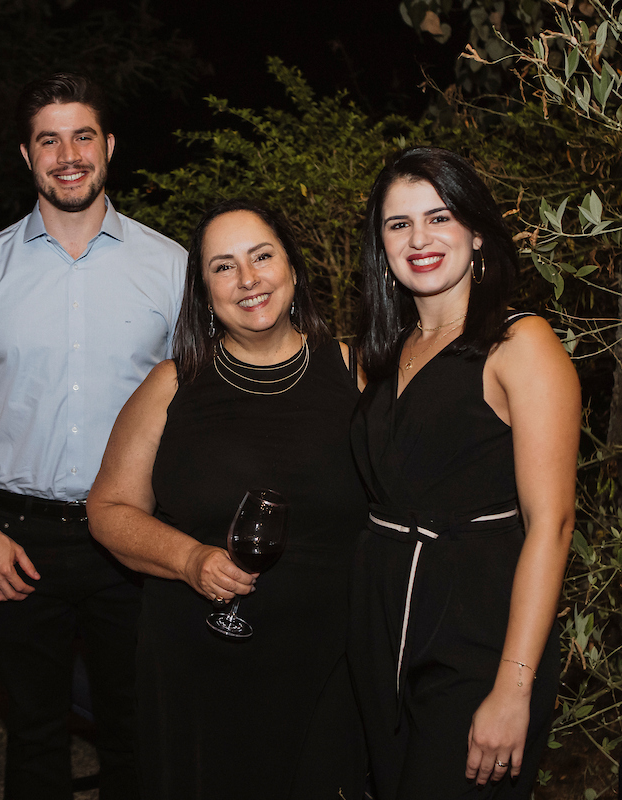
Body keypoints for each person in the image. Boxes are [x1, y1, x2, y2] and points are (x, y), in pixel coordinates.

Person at [0, 73, 185, 800]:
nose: (68, 154)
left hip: (132, 538)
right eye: (49, 139)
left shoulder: (171, 269)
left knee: (135, 731)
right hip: (16, 534)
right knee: (33, 734)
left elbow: (199, 412)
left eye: (82, 135)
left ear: (109, 146)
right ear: (26, 155)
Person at [87, 199, 369, 799]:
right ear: (204, 290)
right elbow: (109, 511)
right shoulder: (174, 383)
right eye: (224, 266)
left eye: (262, 256)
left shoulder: (355, 374)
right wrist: (190, 559)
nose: (248, 279)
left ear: (292, 268)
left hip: (327, 663)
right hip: (198, 662)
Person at [348, 146, 580, 798]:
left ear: (476, 232)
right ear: (381, 245)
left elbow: (552, 525)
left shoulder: (521, 344)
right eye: (399, 225)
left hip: (477, 640)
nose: (419, 239)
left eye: (439, 217)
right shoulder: (383, 353)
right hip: (381, 632)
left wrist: (514, 687)